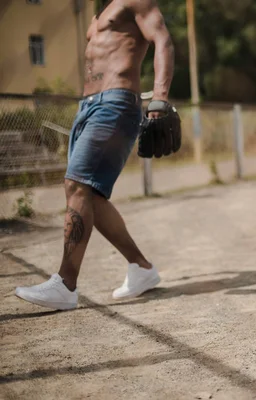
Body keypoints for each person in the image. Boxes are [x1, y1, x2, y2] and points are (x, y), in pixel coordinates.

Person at [15, 0, 174, 310]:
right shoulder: (97, 12)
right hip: (88, 105)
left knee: (76, 185)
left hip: (115, 102)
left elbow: (163, 39)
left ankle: (65, 284)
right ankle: (141, 268)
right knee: (91, 195)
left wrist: (160, 99)